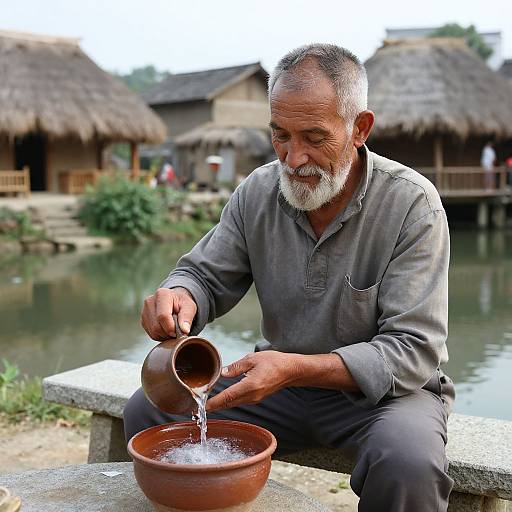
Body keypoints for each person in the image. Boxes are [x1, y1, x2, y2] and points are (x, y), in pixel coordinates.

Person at [124, 44, 455, 512]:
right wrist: (181, 296)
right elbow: (204, 274)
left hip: (383, 398)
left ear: (359, 128)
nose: (294, 158)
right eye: (280, 135)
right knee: (149, 409)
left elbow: (413, 349)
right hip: (276, 388)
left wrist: (294, 367)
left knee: (407, 463)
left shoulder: (411, 205)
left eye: (314, 138)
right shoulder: (258, 191)